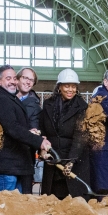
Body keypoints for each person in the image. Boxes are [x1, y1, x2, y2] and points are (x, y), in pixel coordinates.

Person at [0, 65, 51, 194]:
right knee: (6, 208)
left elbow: (21, 126)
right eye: (8, 78)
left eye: (14, 78)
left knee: (18, 208)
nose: (12, 81)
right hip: (7, 165)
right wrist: (38, 141)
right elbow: (12, 128)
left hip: (18, 164)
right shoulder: (1, 100)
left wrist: (36, 135)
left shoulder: (13, 99)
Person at [39, 69, 90, 199]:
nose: (70, 90)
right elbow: (43, 129)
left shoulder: (82, 107)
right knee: (51, 199)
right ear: (59, 87)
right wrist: (42, 150)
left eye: (73, 86)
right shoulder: (48, 104)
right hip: (53, 159)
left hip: (73, 161)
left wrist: (71, 161)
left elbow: (80, 136)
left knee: (72, 199)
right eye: (67, 86)